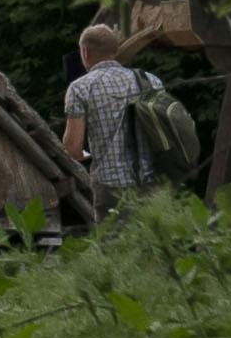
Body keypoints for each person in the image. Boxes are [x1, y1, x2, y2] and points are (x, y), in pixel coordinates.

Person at [65, 22, 181, 213]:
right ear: (114, 50)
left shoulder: (80, 87)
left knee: (114, 242)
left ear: (85, 52)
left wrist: (87, 154)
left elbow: (73, 149)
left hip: (111, 187)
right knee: (152, 241)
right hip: (152, 182)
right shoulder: (151, 81)